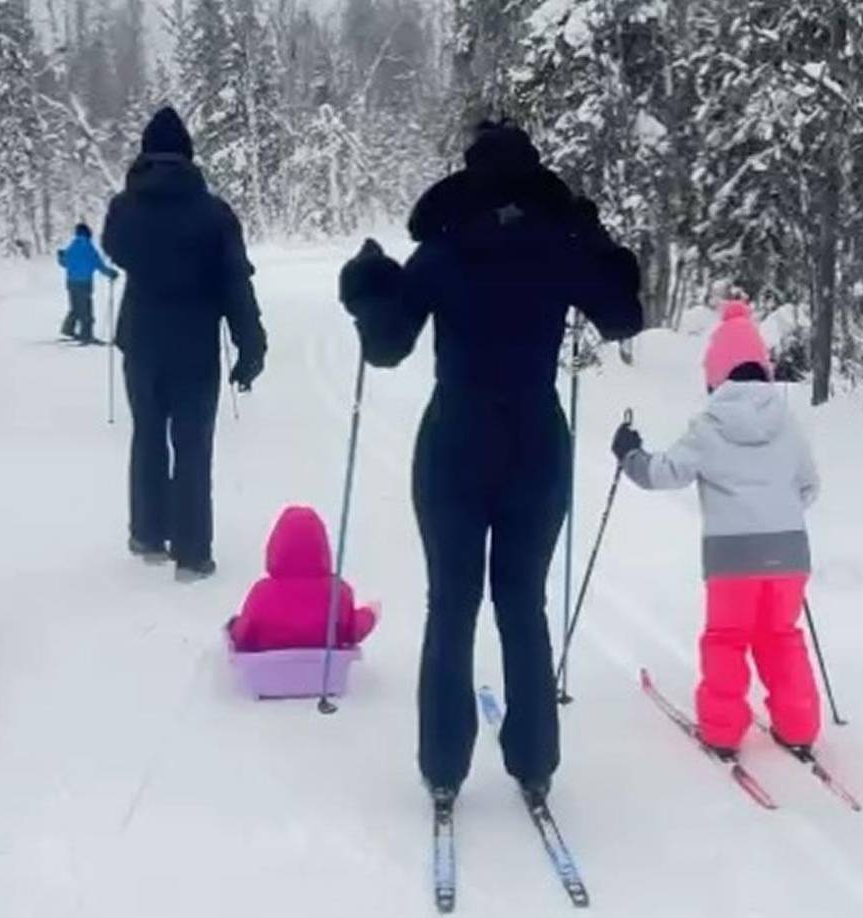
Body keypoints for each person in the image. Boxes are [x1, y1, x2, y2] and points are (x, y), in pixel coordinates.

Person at [338, 120, 643, 805]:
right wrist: (594, 239)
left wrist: (366, 285)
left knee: (450, 606)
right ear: (533, 176)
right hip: (535, 440)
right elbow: (623, 317)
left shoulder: (443, 250)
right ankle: (534, 762)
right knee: (521, 605)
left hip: (454, 440)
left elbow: (386, 348)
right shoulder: (560, 243)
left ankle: (443, 767)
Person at [611, 300, 822, 758]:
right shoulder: (787, 423)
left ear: (715, 373)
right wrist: (780, 514)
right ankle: (800, 724)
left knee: (727, 640)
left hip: (733, 559)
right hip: (789, 555)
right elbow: (809, 486)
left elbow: (663, 474)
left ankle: (723, 732)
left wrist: (631, 455)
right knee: (782, 637)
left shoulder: (710, 425)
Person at [102, 107, 267, 581]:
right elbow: (236, 281)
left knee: (147, 434)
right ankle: (192, 553)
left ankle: (148, 533)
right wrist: (250, 345)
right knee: (193, 445)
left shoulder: (124, 208)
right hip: (195, 345)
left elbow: (115, 250)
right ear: (189, 156)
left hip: (142, 341)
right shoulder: (213, 213)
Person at [229, 506, 377, 653]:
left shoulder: (261, 595)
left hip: (269, 674)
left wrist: (233, 626)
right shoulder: (338, 593)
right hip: (326, 674)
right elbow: (352, 631)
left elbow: (244, 635)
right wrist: (370, 614)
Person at [57, 223, 118, 344]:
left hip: (71, 282)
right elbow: (98, 264)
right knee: (86, 309)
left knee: (75, 307)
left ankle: (68, 329)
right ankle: (86, 335)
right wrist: (111, 273)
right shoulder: (89, 248)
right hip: (84, 283)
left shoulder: (72, 246)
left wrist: (60, 256)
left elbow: (64, 263)